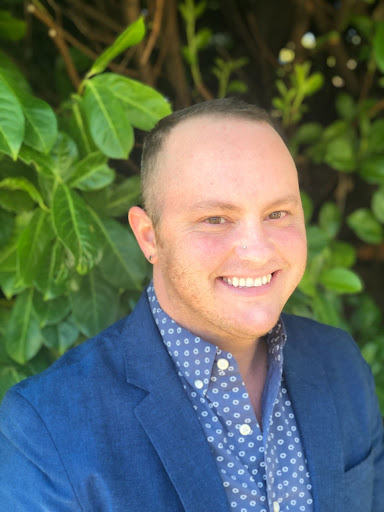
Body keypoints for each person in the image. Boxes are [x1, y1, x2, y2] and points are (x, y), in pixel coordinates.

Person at [0, 98, 383, 512]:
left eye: (277, 213)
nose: (257, 252)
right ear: (149, 237)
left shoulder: (340, 362)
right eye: (215, 219)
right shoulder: (45, 426)